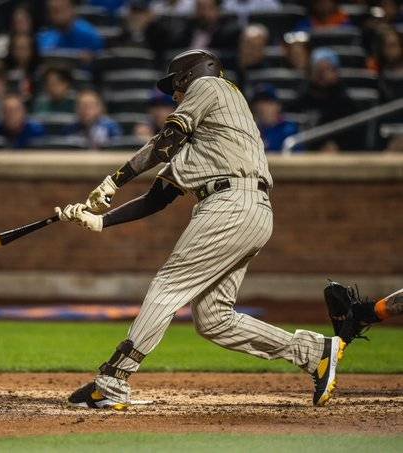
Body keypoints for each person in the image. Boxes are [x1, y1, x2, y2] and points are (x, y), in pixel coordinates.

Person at [56, 49, 344, 410]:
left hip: (229, 205)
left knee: (167, 286)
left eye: (175, 87)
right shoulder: (208, 140)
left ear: (189, 76)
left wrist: (115, 179)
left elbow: (164, 140)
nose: (174, 97)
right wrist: (100, 219)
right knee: (214, 319)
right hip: (246, 211)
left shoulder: (212, 86)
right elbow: (155, 200)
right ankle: (312, 350)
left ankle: (114, 379)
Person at [292, 47, 358, 151]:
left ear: (336, 72)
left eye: (328, 69)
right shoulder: (301, 99)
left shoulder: (345, 104)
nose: (322, 75)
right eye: (318, 70)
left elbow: (353, 137)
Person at [37, 0, 104, 54]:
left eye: (62, 9)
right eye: (55, 11)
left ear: (72, 9)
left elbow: (99, 63)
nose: (60, 15)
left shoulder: (89, 35)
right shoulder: (45, 38)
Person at [250, 84, 299, 153]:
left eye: (268, 102)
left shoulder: (289, 129)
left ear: (278, 106)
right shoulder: (250, 129)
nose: (262, 107)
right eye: (258, 102)